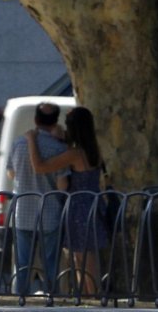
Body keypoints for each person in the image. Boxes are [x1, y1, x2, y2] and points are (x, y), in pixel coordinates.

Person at [29, 106, 110, 295]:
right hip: (94, 204)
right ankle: (88, 296)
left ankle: (93, 297)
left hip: (78, 208)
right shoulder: (93, 150)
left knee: (82, 259)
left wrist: (32, 140)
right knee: (82, 258)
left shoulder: (75, 154)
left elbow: (40, 167)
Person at [8, 102, 69, 296]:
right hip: (50, 213)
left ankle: (20, 297)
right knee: (50, 261)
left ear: (35, 120)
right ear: (55, 122)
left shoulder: (18, 143)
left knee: (22, 262)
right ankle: (51, 296)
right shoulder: (59, 148)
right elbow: (62, 185)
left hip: (22, 211)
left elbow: (11, 173)